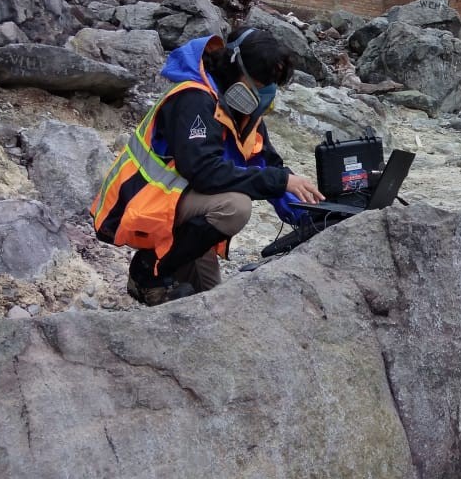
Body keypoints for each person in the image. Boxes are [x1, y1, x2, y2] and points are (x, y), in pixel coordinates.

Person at [90, 27, 324, 306]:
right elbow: (204, 173)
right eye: (261, 86)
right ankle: (147, 272)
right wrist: (279, 181)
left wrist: (313, 215)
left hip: (179, 204)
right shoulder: (193, 98)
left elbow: (268, 165)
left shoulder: (242, 112)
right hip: (140, 203)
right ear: (236, 68)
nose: (266, 94)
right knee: (235, 207)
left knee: (213, 302)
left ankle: (165, 285)